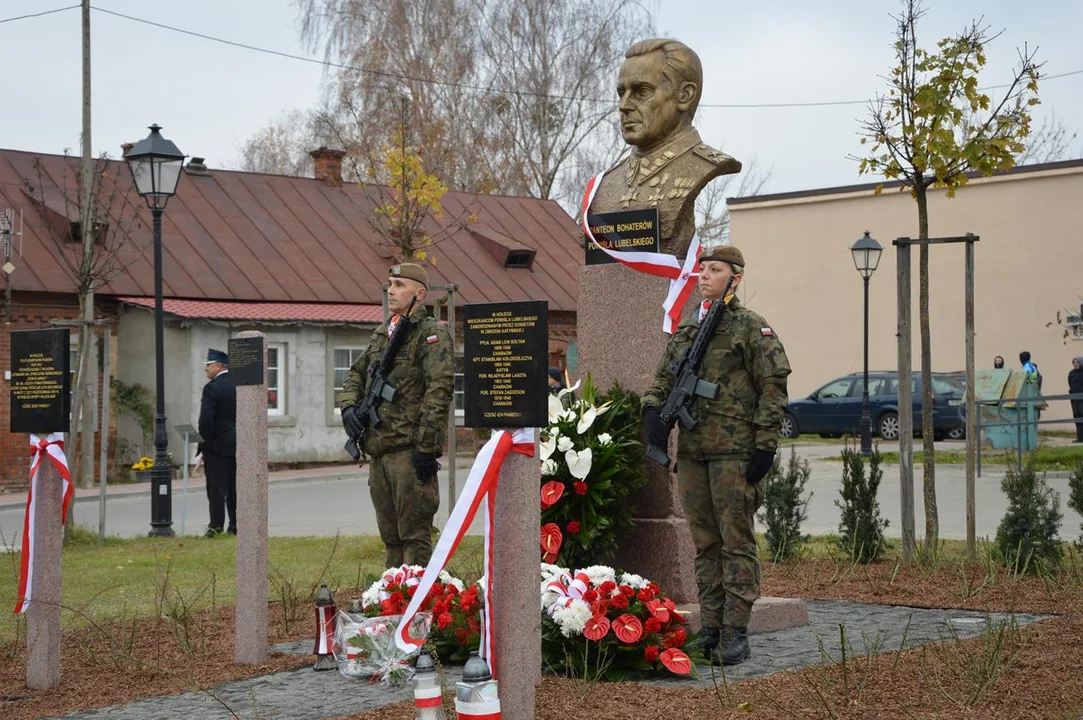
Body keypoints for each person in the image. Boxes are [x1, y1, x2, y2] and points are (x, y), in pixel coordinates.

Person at [641, 245, 791, 666]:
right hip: (693, 452)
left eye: (715, 270)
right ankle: (710, 627)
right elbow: (662, 377)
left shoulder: (750, 328)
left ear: (735, 278)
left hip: (734, 453)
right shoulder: (690, 329)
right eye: (703, 269)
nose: (704, 276)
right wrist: (652, 410)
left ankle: (736, 631)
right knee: (705, 544)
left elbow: (774, 387)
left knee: (735, 542)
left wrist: (765, 443)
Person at [339, 263, 455, 568]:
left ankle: (418, 608)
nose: (391, 290)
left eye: (400, 284)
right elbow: (357, 373)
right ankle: (392, 603)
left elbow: (439, 392)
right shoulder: (383, 333)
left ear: (420, 293)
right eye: (390, 283)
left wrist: (426, 448)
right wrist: (349, 407)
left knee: (415, 537)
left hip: (409, 452)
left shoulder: (429, 336)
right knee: (390, 538)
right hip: (379, 451)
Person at [589, 38, 741, 255]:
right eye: (621, 93)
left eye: (642, 91)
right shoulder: (603, 186)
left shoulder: (704, 166)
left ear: (684, 96)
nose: (624, 106)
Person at [198, 348, 236, 537]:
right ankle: (235, 526)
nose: (206, 370)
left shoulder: (212, 388)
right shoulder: (240, 385)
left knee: (216, 489)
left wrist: (205, 444)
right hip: (238, 444)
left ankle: (216, 526)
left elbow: (206, 421)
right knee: (235, 487)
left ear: (219, 365)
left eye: (208, 365)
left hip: (216, 447)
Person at [1069, 357, 1083, 443]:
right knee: (1076, 416)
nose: (1075, 364)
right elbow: (1070, 383)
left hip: (1081, 398)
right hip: (1074, 398)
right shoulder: (1071, 373)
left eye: (1077, 362)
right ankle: (1080, 437)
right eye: (1074, 362)